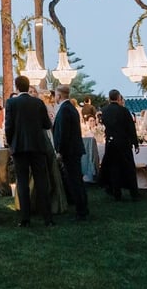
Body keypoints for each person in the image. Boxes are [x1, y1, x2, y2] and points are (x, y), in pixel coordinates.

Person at [5, 75, 54, 227]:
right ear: (28, 86)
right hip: (37, 146)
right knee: (41, 181)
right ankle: (47, 217)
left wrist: (10, 143)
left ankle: (25, 218)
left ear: (17, 87)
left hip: (19, 147)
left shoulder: (11, 103)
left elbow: (8, 126)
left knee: (22, 182)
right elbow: (47, 125)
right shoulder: (38, 103)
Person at [53, 84, 89, 221]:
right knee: (77, 180)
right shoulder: (70, 108)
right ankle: (83, 207)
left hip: (69, 151)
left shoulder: (64, 110)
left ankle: (81, 211)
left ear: (59, 95)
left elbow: (63, 133)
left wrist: (60, 151)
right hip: (74, 149)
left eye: (55, 95)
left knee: (74, 181)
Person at [99, 89, 140, 201]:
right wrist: (135, 143)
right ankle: (133, 192)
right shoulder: (124, 111)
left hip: (111, 143)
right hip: (123, 143)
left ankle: (116, 192)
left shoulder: (104, 111)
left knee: (114, 168)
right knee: (129, 168)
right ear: (118, 98)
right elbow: (131, 128)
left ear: (109, 98)